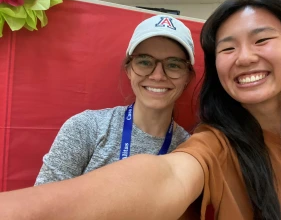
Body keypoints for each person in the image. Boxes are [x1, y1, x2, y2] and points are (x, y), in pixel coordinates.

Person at [0, 0, 281, 220]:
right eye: (229, 47)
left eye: (262, 39)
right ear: (128, 68)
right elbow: (166, 177)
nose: (246, 57)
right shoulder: (209, 147)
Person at [34, 14, 196, 185]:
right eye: (145, 62)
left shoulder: (188, 149)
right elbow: (43, 205)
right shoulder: (87, 128)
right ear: (129, 70)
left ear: (187, 78)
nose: (157, 76)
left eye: (173, 65)